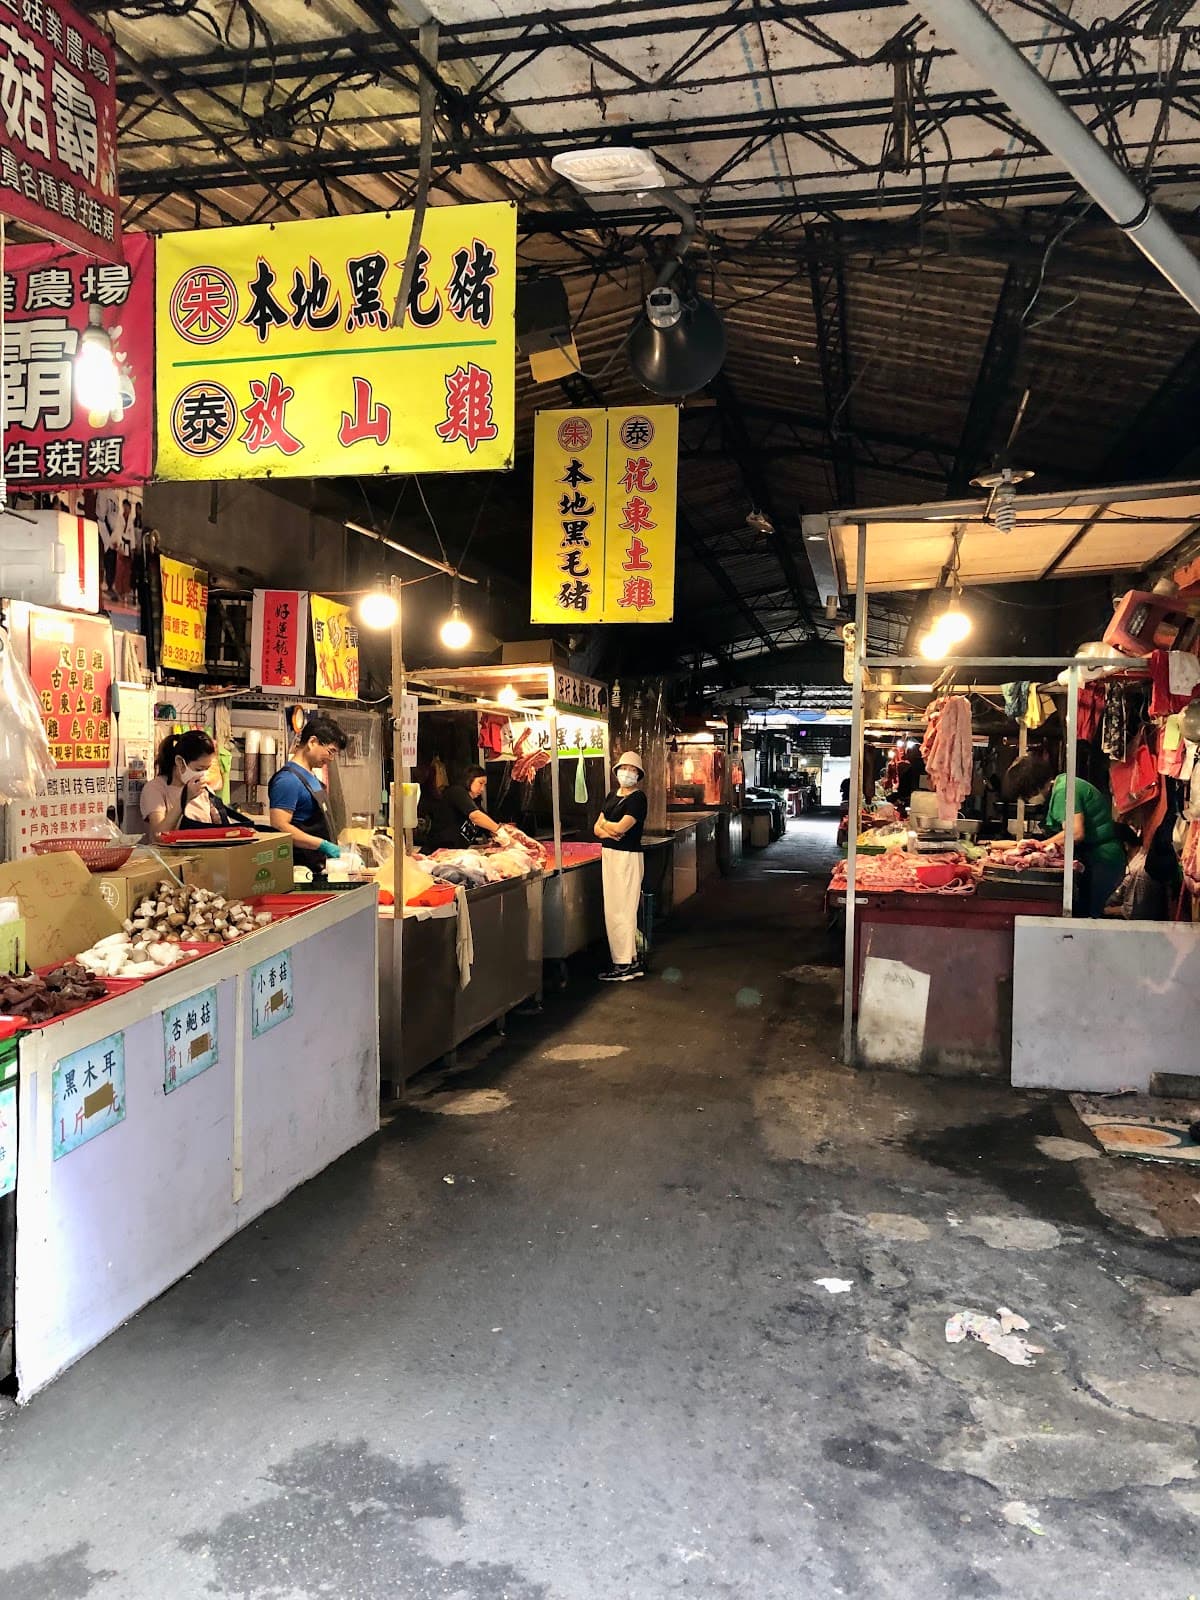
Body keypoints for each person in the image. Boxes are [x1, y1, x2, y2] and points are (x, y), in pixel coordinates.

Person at [1002, 751, 1124, 917]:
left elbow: (1075, 832)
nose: (1027, 799)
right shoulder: (1062, 785)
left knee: (1094, 917)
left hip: (1103, 859)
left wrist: (1039, 846)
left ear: (1033, 787)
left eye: (1026, 795)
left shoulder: (1063, 791)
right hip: (1097, 858)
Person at [268, 715, 348, 878]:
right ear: (312, 742)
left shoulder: (311, 776)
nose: (331, 759)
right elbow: (280, 826)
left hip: (318, 867)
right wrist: (322, 845)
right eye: (330, 751)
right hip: (301, 871)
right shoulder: (288, 780)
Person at [595, 751, 648, 982]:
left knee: (622, 909)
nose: (627, 773)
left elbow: (620, 828)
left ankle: (623, 963)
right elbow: (596, 829)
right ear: (616, 771)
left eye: (632, 770)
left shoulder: (638, 799)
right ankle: (630, 959)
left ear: (638, 775)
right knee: (614, 909)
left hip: (626, 857)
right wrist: (609, 828)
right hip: (610, 855)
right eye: (624, 768)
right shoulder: (611, 795)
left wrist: (606, 826)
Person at [140, 730, 224, 842]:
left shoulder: (204, 789)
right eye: (199, 769)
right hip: (171, 853)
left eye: (207, 769)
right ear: (180, 762)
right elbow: (158, 836)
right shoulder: (155, 788)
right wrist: (184, 799)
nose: (203, 774)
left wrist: (219, 820)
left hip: (204, 852)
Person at [424, 764, 511, 851]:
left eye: (484, 785)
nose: (482, 789)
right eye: (480, 783)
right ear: (469, 779)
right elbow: (475, 816)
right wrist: (499, 830)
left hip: (454, 853)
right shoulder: (457, 791)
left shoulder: (475, 805)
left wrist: (506, 835)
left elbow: (488, 827)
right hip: (435, 853)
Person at [1104, 823, 1169, 921]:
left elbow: (1132, 912)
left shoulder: (1140, 870)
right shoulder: (1130, 863)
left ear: (1125, 846)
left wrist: (1105, 911)